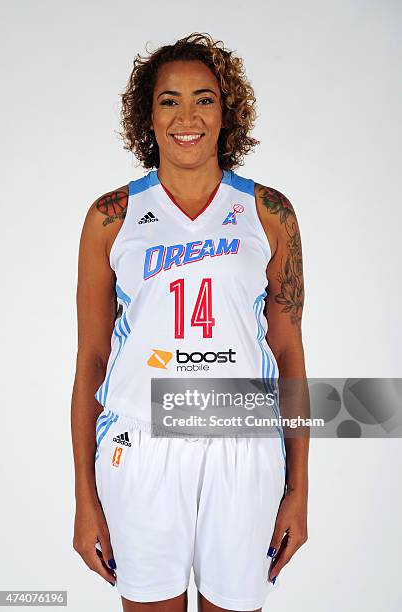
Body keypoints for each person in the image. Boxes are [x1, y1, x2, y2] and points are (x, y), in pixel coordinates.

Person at [71, 32, 309, 612]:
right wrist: (84, 499)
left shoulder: (269, 213)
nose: (187, 117)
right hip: (141, 443)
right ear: (146, 115)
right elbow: (92, 362)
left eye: (204, 99)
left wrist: (299, 491)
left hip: (243, 443)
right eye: (169, 100)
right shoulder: (112, 217)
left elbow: (289, 356)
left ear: (226, 112)